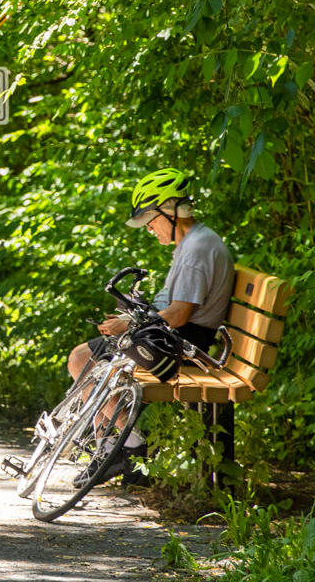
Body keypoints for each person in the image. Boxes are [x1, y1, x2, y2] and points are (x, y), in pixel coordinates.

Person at [66, 167, 232, 485]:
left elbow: (181, 314)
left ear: (170, 210)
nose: (149, 228)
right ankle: (111, 449)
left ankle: (130, 446)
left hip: (178, 344)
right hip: (174, 337)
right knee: (91, 361)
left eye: (151, 220)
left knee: (80, 359)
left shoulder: (196, 250)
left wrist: (132, 323)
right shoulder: (194, 243)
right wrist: (132, 317)